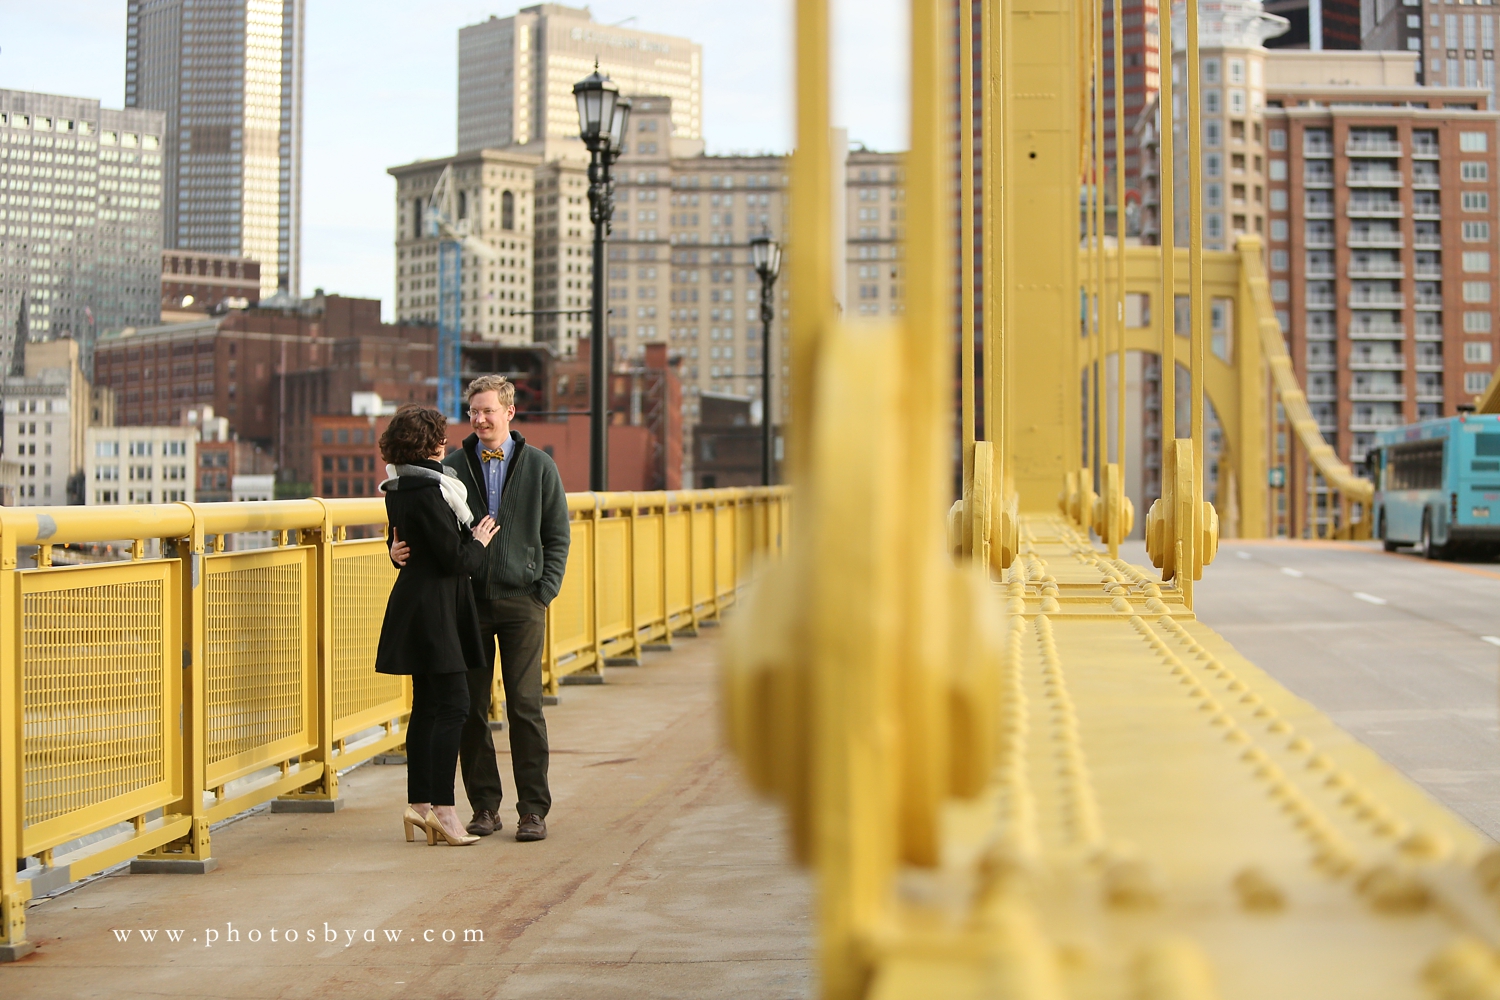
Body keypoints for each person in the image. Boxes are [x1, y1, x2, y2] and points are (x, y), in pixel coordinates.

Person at [391, 375, 570, 843]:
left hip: (523, 602)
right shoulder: (446, 468)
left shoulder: (539, 466)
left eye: (489, 410)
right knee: (469, 708)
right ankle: (484, 808)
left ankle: (532, 810)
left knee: (525, 707)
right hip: (463, 604)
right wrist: (392, 552)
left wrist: (543, 591)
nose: (481, 419)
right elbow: (414, 530)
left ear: (509, 412)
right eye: (474, 411)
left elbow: (557, 535)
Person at [375, 404, 498, 847]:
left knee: (427, 704)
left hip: (417, 604)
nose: (444, 443)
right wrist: (479, 541)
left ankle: (419, 804)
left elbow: (404, 548)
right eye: (439, 438)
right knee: (454, 704)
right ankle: (445, 811)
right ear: (428, 444)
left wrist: (393, 554)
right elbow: (456, 559)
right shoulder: (432, 492)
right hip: (438, 609)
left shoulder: (398, 488)